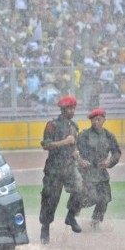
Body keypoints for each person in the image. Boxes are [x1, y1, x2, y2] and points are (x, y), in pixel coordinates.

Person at [39, 96, 85, 244]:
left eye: (73, 108)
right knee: (51, 199)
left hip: (69, 166)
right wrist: (64, 142)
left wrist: (75, 151)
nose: (72, 111)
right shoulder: (52, 125)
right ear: (63, 109)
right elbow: (46, 145)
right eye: (69, 108)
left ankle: (71, 216)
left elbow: (73, 145)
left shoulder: (74, 126)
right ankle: (45, 228)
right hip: (54, 169)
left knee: (80, 189)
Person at [76, 108, 122, 230]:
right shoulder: (84, 135)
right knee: (90, 198)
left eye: (98, 119)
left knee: (105, 199)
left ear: (103, 120)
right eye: (93, 120)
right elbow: (74, 151)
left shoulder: (108, 135)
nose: (95, 122)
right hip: (87, 174)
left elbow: (117, 152)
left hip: (101, 174)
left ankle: (95, 222)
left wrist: (110, 162)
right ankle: (75, 207)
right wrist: (80, 161)